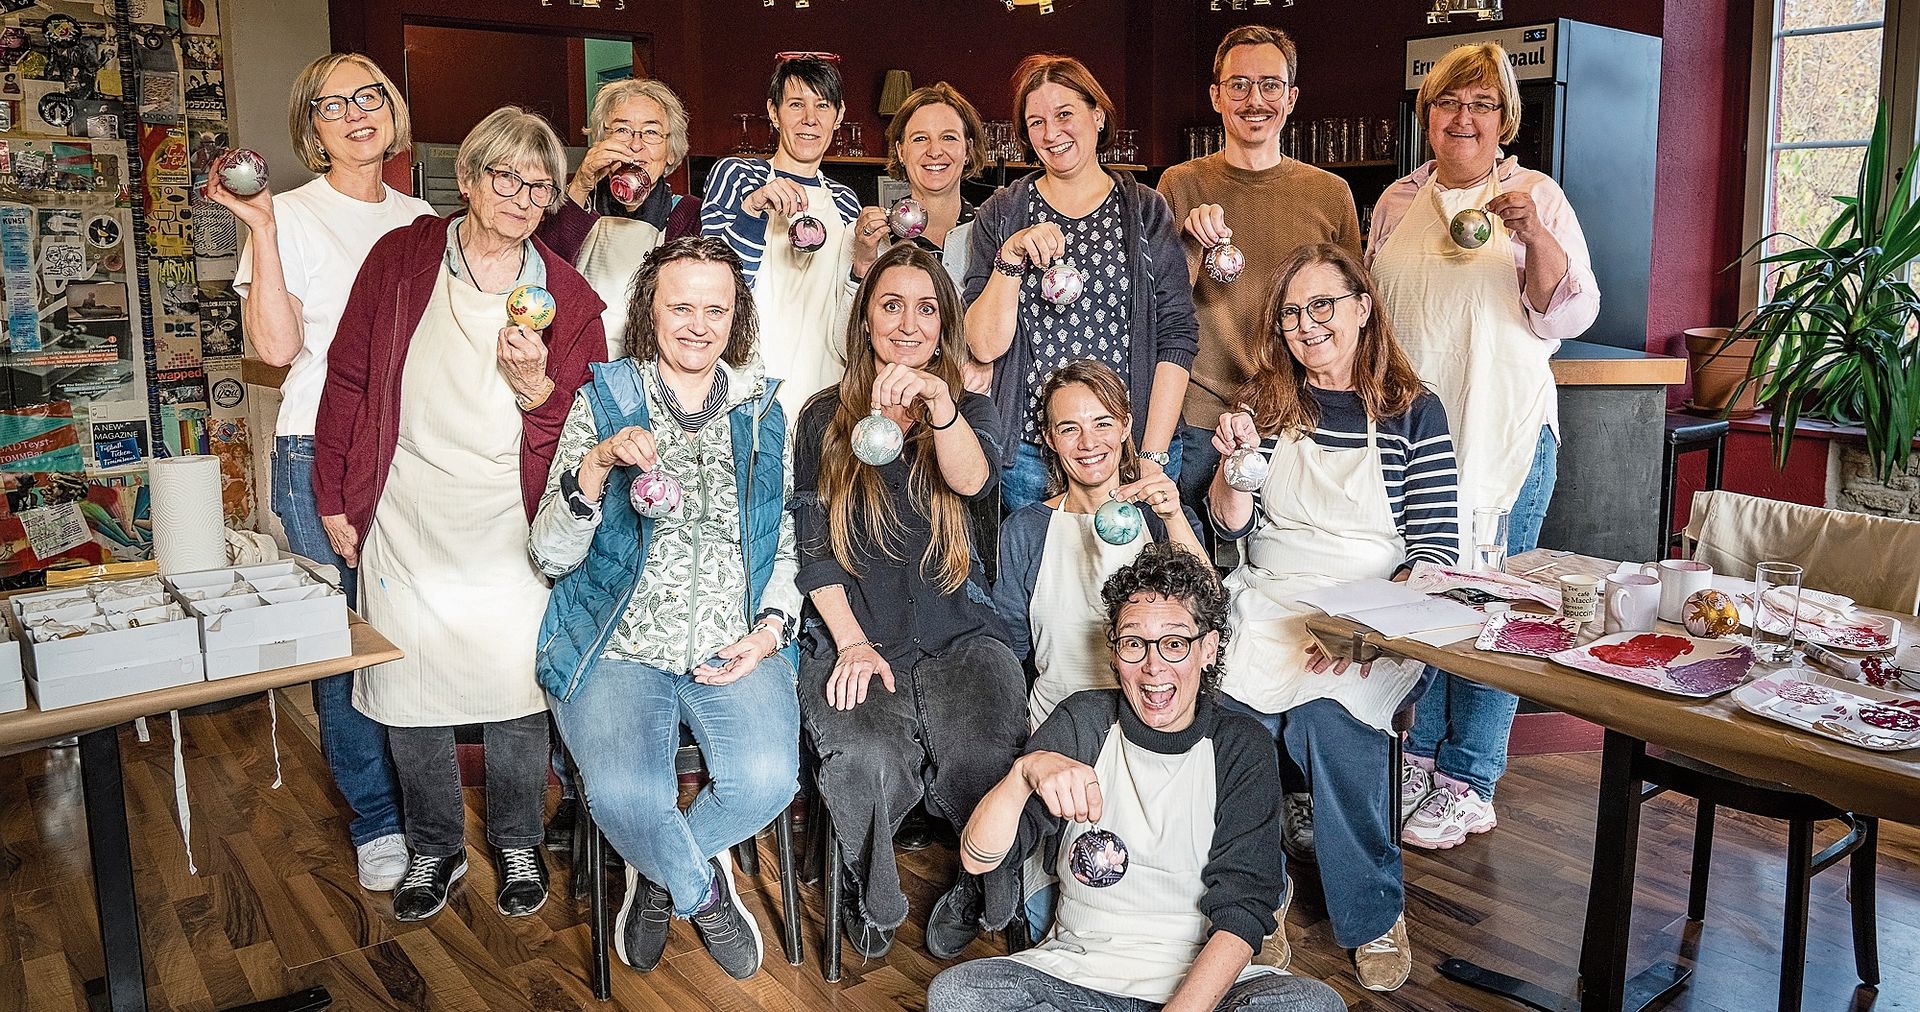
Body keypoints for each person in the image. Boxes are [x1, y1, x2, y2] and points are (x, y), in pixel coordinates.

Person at [313, 106, 607, 922]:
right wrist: (335, 496)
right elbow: (348, 379)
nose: (521, 196)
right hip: (408, 508)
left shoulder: (570, 297)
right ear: (470, 179)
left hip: (513, 523)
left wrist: (537, 390)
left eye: (539, 185)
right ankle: (435, 845)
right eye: (505, 177)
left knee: (518, 693)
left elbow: (587, 430)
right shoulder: (403, 258)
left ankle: (516, 836)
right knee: (409, 692)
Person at [531, 236, 799, 982]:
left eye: (716, 308)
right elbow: (549, 555)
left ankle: (653, 870)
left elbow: (785, 546)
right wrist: (594, 465)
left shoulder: (762, 410)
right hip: (616, 643)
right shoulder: (607, 400)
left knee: (769, 777)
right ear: (650, 308)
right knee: (621, 791)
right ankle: (701, 890)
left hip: (731, 641)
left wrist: (770, 631)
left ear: (736, 316)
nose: (698, 324)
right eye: (681, 305)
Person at [928, 541, 1346, 1012]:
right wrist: (1022, 775)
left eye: (1174, 643)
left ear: (1207, 649)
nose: (1153, 667)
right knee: (958, 995)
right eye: (1133, 643)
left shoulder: (1240, 744)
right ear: (1114, 651)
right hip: (1078, 976)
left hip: (1202, 987)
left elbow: (1244, 912)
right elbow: (980, 859)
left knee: (1311, 1003)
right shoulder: (1081, 721)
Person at [1367, 42, 1599, 850]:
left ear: (1505, 120)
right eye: (1448, 103)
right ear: (1427, 115)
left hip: (1502, 430)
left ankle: (1472, 775)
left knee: (1495, 603)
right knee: (1427, 597)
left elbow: (1563, 313)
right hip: (1416, 438)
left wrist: (1535, 235)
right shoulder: (1398, 201)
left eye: (1483, 104)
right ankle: (1425, 756)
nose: (1464, 118)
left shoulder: (1534, 195)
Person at [1209, 243, 1458, 992]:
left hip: (1378, 607)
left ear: (1362, 307)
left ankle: (1376, 911)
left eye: (1323, 305)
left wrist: (1366, 631)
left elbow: (1436, 547)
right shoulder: (1263, 405)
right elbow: (1229, 529)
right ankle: (1260, 901)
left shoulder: (1415, 411)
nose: (1306, 324)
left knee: (1327, 722)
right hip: (1272, 597)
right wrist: (1231, 472)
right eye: (1291, 312)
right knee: (1231, 718)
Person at [217, 53, 431, 894]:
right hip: (319, 451)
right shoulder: (292, 216)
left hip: (411, 453)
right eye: (332, 105)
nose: (354, 114)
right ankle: (378, 820)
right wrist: (261, 232)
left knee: (410, 634)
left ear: (390, 110)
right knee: (346, 645)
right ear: (313, 128)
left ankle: (426, 811)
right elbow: (275, 349)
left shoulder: (424, 219)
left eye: (367, 96)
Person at [793, 242, 1027, 960]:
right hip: (855, 631)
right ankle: (873, 894)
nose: (907, 324)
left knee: (987, 753)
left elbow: (973, 482)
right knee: (862, 755)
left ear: (943, 325)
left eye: (926, 309)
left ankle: (975, 887)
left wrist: (940, 406)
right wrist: (851, 642)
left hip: (961, 636)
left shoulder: (972, 407)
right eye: (890, 305)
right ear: (865, 319)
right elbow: (812, 548)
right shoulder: (824, 417)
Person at [964, 54, 1196, 514]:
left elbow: (1177, 336)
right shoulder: (1002, 212)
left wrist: (1151, 456)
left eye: (1064, 114)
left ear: (1098, 115)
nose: (1051, 133)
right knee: (1042, 581)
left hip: (1131, 449)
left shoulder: (1145, 210)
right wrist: (1009, 258)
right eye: (1035, 122)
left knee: (1142, 583)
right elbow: (983, 345)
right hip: (1030, 453)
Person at [1157, 26, 1361, 518]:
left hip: (1295, 420)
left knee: (1284, 568)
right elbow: (1159, 310)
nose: (1255, 99)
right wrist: (1189, 247)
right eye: (1239, 85)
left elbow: (1354, 320)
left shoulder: (1330, 194)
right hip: (1200, 420)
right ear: (1216, 96)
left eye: (1270, 85)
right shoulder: (1180, 184)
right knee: (1196, 577)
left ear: (1291, 98)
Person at [994, 359, 1204, 731]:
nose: (1088, 443)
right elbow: (1007, 649)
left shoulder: (1164, 517)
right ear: (1049, 438)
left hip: (1152, 724)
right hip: (1056, 728)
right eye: (1069, 428)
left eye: (1103, 423)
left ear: (1126, 425)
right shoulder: (1025, 530)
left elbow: (1208, 613)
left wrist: (1173, 519)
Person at [703, 55, 862, 421]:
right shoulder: (738, 175)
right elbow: (713, 284)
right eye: (796, 104)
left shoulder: (845, 201)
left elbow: (849, 304)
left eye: (822, 106)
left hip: (825, 387)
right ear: (773, 113)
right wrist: (754, 208)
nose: (810, 119)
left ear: (838, 117)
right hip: (745, 385)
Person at [538, 77, 700, 360]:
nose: (635, 145)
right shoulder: (574, 200)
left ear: (671, 151)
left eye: (651, 133)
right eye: (622, 130)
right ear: (601, 142)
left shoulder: (687, 213)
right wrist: (581, 184)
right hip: (573, 362)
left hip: (648, 369)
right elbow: (543, 268)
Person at [858, 81, 994, 392]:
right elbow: (845, 342)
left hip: (972, 407)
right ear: (900, 151)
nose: (935, 151)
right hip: (888, 411)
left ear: (968, 149)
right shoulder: (872, 236)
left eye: (948, 137)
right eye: (920, 139)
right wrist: (863, 261)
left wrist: (989, 359)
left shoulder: (991, 232)